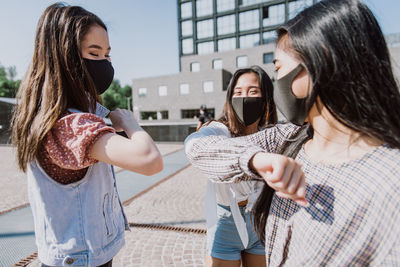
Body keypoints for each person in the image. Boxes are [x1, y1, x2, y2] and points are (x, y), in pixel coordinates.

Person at [185, 0, 400, 265]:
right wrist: (256, 160)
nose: (278, 82)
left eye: (278, 68)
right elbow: (197, 147)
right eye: (238, 93)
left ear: (320, 61)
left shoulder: (390, 187)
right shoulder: (291, 138)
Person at [11, 3, 163, 267]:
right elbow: (150, 160)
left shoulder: (53, 117)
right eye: (94, 53)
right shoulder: (70, 125)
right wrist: (130, 123)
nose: (105, 64)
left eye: (107, 55)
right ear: (65, 57)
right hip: (82, 259)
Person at [186, 66, 277, 267]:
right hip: (225, 223)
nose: (244, 98)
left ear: (266, 99)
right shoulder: (219, 130)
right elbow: (194, 144)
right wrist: (251, 159)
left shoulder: (271, 135)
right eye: (238, 92)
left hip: (260, 220)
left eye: (253, 92)